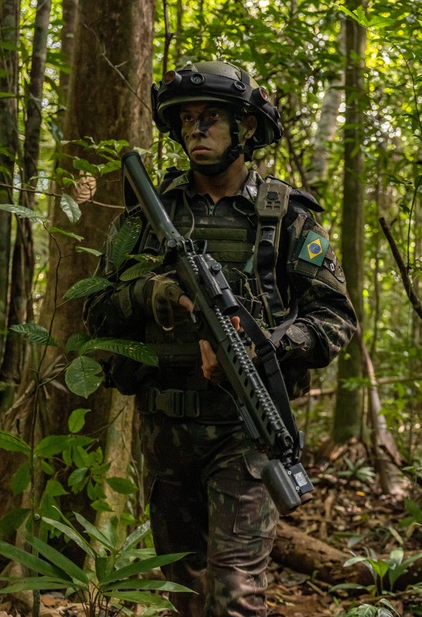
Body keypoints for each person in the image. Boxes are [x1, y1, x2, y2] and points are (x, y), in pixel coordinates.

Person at [84, 60, 357, 616]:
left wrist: (264, 346)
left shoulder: (286, 217)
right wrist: (153, 295)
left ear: (246, 129)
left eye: (210, 119)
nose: (195, 131)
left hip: (245, 432)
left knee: (235, 597)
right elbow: (96, 312)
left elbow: (335, 318)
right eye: (186, 120)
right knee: (185, 591)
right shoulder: (148, 216)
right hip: (166, 428)